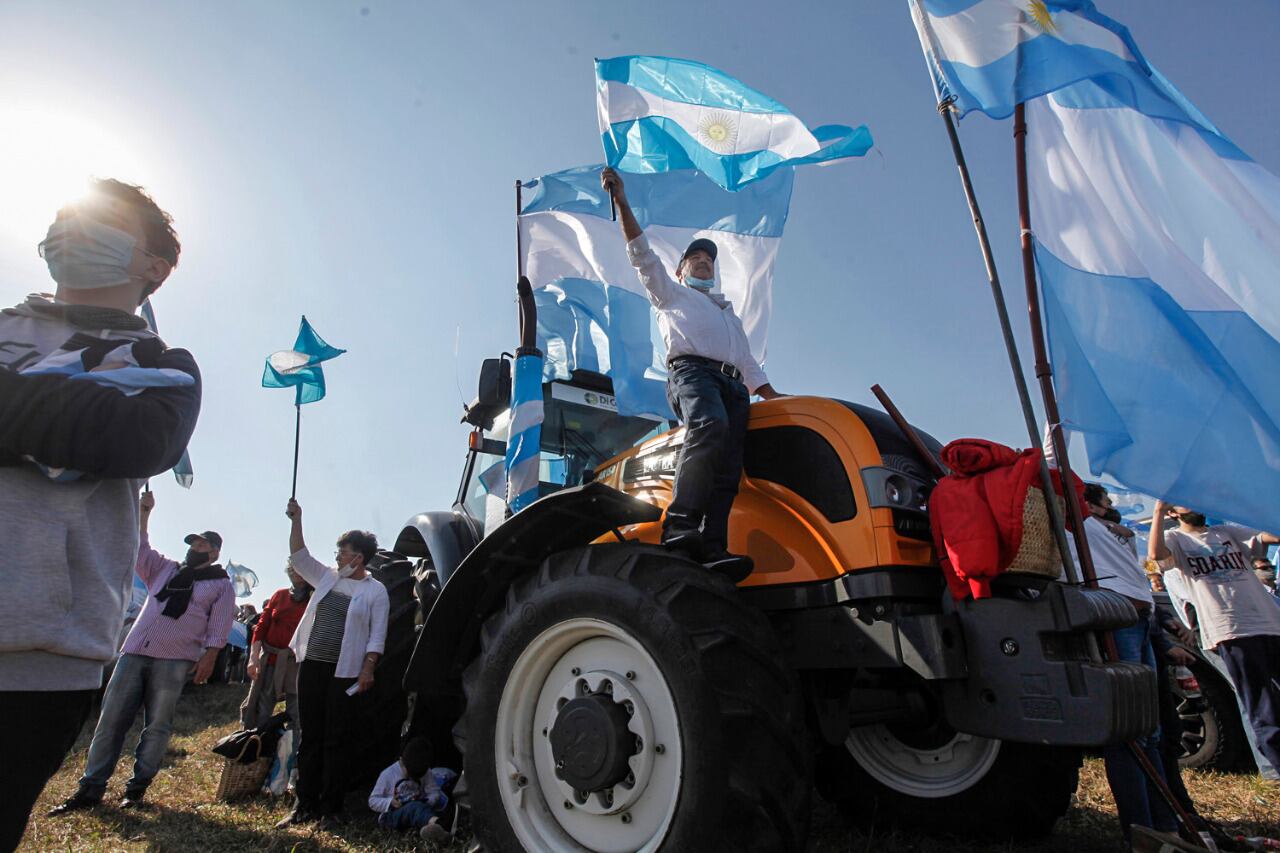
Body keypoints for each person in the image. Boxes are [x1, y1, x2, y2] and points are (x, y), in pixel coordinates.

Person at [0, 180, 201, 851]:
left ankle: (125, 784)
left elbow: (136, 440)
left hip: (37, 653)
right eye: (65, 216)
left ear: (154, 267)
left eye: (102, 222)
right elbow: (84, 430)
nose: (74, 227)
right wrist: (62, 413)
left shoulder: (162, 364)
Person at [601, 167, 783, 582]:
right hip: (691, 374)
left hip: (734, 386)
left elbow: (749, 364)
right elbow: (642, 255)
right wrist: (622, 203)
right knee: (708, 424)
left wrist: (776, 398)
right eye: (695, 259)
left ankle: (713, 545)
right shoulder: (670, 293)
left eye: (708, 261)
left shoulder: (727, 313)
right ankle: (680, 524)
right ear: (681, 271)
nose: (703, 263)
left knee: (730, 465)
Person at [51, 491, 234, 814]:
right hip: (134, 651)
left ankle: (136, 790)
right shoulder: (166, 569)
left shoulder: (220, 584)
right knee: (110, 721)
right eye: (193, 543)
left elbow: (219, 625)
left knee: (158, 725)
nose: (195, 547)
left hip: (175, 660)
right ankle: (90, 788)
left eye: (202, 544)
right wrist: (143, 512)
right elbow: (139, 547)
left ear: (215, 552)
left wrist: (210, 656)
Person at [1062, 484, 1199, 849]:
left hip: (1140, 619)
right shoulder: (1076, 523)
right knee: (1131, 731)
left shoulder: (1110, 532)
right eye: (1104, 501)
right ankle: (1141, 827)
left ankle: (1165, 825)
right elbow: (1053, 465)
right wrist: (1056, 429)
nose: (1110, 506)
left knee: (1151, 731)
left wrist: (1162, 624)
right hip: (1116, 617)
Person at [276, 498, 389, 829]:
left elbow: (377, 635)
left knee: (336, 738)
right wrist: (297, 519)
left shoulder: (375, 591)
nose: (337, 556)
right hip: (313, 666)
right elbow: (299, 556)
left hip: (345, 674)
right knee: (310, 735)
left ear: (358, 557)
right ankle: (304, 805)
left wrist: (368, 669)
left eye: (343, 552)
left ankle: (330, 809)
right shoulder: (326, 578)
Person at [1149, 500, 1280, 773]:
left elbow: (1272, 535)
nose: (1193, 503)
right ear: (1173, 511)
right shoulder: (1174, 539)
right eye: (1184, 501)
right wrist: (1159, 511)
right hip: (1230, 630)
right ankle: (1274, 769)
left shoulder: (1226, 532)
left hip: (1269, 623)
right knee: (1260, 703)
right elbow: (1156, 555)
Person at [240, 565, 311, 730]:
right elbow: (261, 627)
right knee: (263, 706)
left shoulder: (315, 598)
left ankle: (292, 749)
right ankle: (258, 743)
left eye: (299, 567)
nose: (295, 571)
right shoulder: (280, 595)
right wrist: (254, 657)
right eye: (292, 568)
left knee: (297, 709)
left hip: (298, 661)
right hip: (272, 659)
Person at [368, 737, 457, 842]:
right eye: (409, 774)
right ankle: (440, 825)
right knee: (414, 808)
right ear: (402, 761)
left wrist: (428, 801)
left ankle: (432, 831)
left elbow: (434, 792)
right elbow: (372, 800)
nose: (412, 778)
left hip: (419, 808)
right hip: (392, 816)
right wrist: (390, 802)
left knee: (433, 807)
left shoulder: (426, 772)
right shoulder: (388, 774)